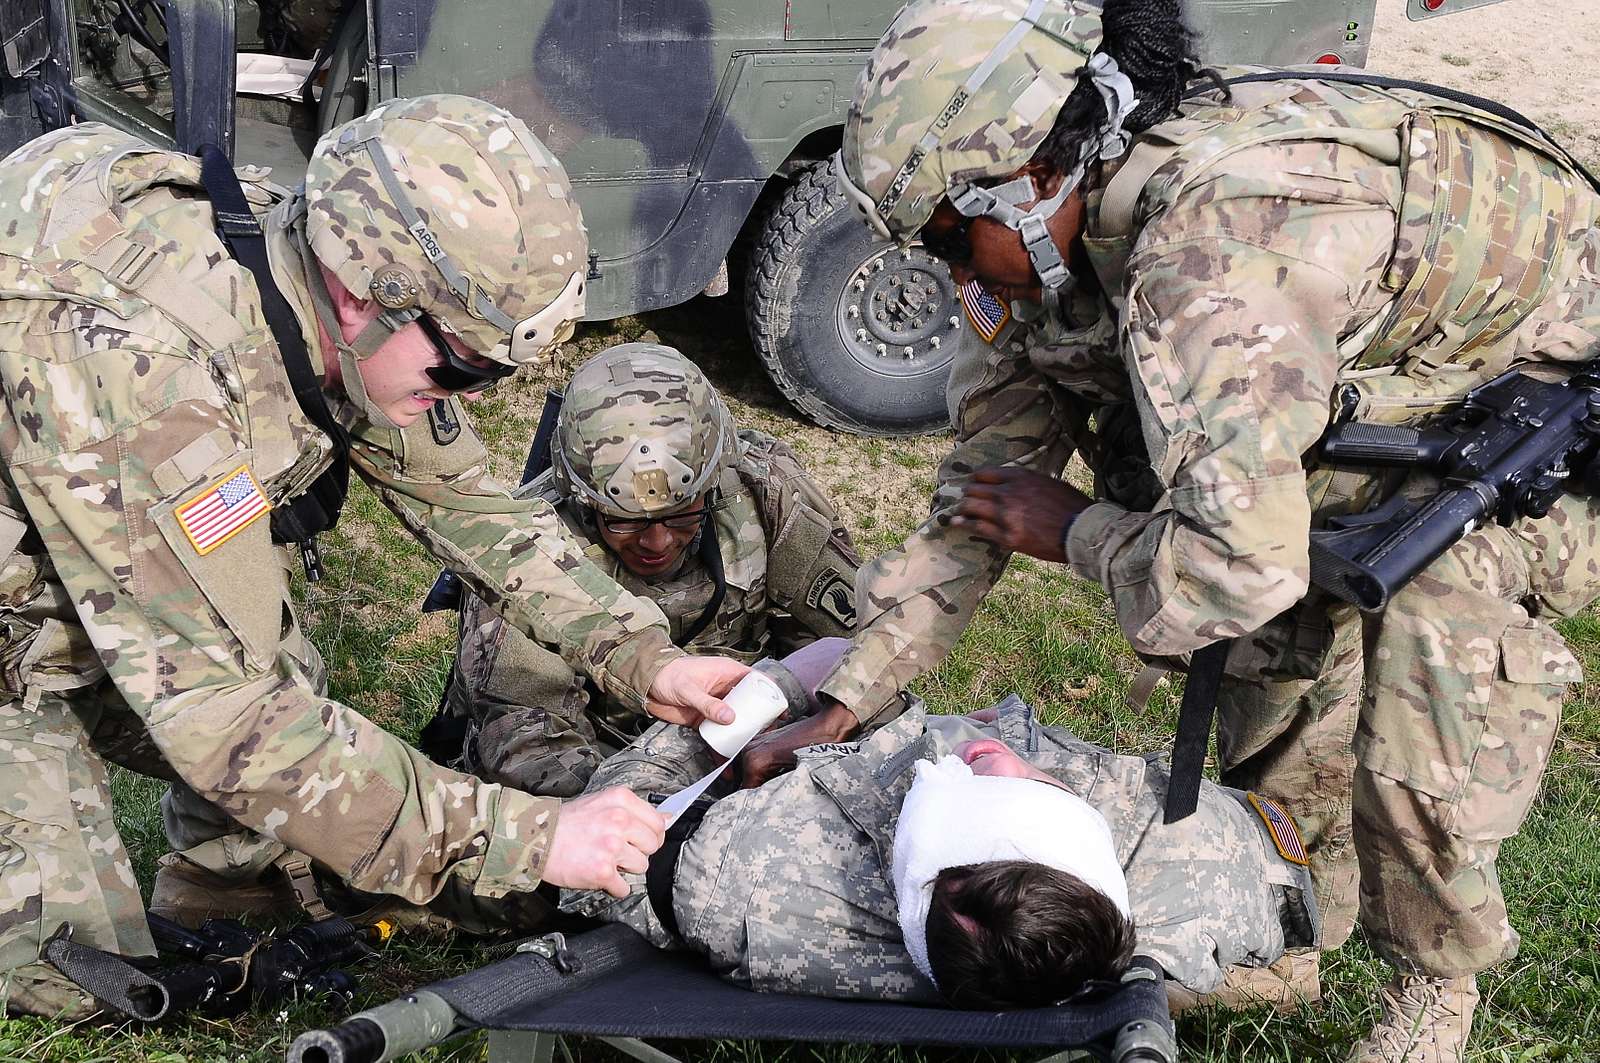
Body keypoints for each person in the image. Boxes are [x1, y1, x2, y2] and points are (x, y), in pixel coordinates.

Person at [827, 0, 1600, 1058]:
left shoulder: (1210, 266)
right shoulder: (1063, 239)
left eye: (951, 238)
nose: (950, 274)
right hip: (1369, 394)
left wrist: (1078, 532)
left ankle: (1436, 981)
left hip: (1526, 415)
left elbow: (1237, 565)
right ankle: (1289, 922)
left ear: (1032, 176)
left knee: (1432, 668)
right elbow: (980, 489)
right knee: (1263, 648)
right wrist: (847, 689)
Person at [0, 95, 751, 1018]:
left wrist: (644, 655)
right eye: (461, 371)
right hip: (21, 617)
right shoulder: (150, 376)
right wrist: (526, 837)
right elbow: (230, 719)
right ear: (363, 295)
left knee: (265, 663)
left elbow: (475, 505)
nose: (467, 394)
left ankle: (226, 882)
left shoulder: (310, 264)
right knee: (72, 974)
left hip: (75, 527)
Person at [561, 674, 1320, 1009]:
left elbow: (603, 842)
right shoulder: (1202, 860)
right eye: (1019, 790)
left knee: (762, 686)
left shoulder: (741, 870)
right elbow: (1283, 882)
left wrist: (783, 688)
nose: (974, 758)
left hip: (701, 815)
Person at [437, 341, 863, 797]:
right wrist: (644, 802)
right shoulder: (529, 552)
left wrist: (796, 741)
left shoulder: (763, 490)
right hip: (606, 774)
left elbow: (846, 647)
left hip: (755, 744)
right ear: (581, 498)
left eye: (681, 512)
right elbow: (524, 743)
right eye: (623, 521)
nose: (656, 542)